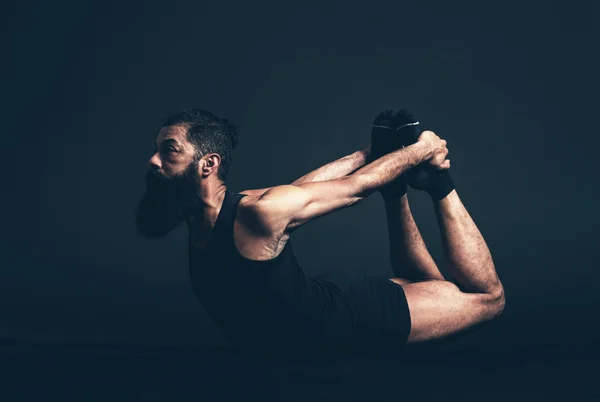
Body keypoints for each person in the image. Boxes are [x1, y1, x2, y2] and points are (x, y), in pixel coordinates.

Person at [134, 108, 505, 355]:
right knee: (430, 286)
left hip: (349, 320)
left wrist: (424, 151)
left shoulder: (252, 212)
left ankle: (439, 184)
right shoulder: (213, 214)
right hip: (320, 304)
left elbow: (356, 188)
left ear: (207, 165)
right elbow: (299, 189)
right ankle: (397, 190)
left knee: (488, 299)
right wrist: (372, 151)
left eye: (169, 151)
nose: (153, 160)